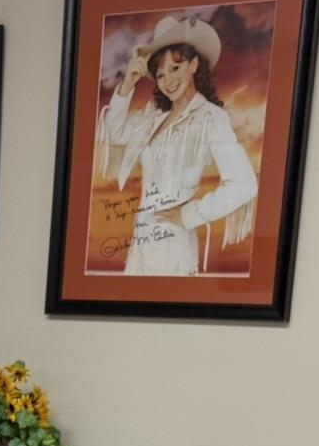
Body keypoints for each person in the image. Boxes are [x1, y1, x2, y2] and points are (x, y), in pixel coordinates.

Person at [93, 15, 257, 276]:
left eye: (175, 68)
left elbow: (245, 184)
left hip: (175, 244)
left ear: (193, 64)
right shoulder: (153, 116)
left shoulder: (211, 118)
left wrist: (190, 214)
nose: (167, 80)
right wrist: (127, 85)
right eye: (160, 74)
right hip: (141, 241)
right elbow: (114, 133)